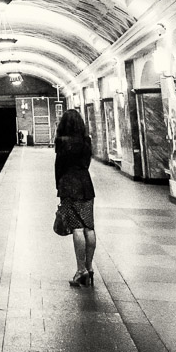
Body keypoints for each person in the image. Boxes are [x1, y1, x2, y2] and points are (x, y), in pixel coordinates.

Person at [54, 107, 96, 287]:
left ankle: (81, 270)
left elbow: (59, 166)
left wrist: (59, 185)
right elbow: (87, 163)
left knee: (77, 228)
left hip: (69, 185)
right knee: (89, 227)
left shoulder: (61, 141)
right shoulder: (87, 141)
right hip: (86, 184)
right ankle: (89, 267)